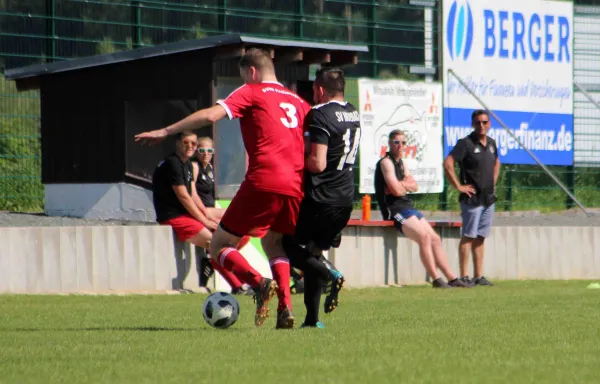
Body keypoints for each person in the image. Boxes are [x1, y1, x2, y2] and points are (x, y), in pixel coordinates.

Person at [136, 48, 311, 329]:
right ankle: (285, 309)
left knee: (219, 245)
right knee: (274, 243)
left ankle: (258, 283)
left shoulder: (252, 91)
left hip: (264, 179)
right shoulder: (299, 103)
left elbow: (211, 115)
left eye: (244, 75)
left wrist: (167, 131)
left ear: (251, 72)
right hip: (294, 184)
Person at [283, 67, 358, 328]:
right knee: (314, 252)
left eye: (314, 89)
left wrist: (290, 158)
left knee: (284, 245)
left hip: (321, 198)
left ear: (321, 90)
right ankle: (312, 320)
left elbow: (317, 163)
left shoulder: (318, 114)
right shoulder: (353, 112)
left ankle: (331, 273)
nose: (313, 94)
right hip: (345, 199)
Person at [374, 130, 470, 288]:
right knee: (424, 237)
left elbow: (414, 185)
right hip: (394, 210)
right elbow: (397, 191)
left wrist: (402, 184)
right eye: (396, 142)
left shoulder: (402, 163)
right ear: (390, 144)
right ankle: (436, 279)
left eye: (403, 143)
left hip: (407, 206)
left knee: (435, 239)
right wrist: (403, 185)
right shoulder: (386, 162)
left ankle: (452, 278)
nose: (400, 146)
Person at [152, 132, 249, 283]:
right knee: (215, 244)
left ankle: (236, 279)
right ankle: (241, 283)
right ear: (178, 143)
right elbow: (184, 196)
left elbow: (193, 195)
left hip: (187, 214)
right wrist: (204, 219)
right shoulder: (174, 163)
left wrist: (207, 216)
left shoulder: (186, 164)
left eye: (193, 143)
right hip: (173, 216)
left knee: (235, 233)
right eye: (186, 142)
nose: (190, 146)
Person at [443, 109, 499, 286]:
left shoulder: (491, 143)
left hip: (488, 199)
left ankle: (478, 276)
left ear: (489, 124)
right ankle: (464, 276)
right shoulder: (465, 144)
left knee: (481, 237)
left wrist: (493, 182)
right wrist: (459, 186)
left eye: (484, 122)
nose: (481, 126)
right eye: (478, 122)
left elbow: (497, 162)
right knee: (468, 236)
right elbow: (448, 163)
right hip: (472, 200)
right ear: (472, 124)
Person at [192, 137, 253, 295]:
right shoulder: (194, 167)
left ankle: (219, 261)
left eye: (209, 151)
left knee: (243, 233)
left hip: (210, 211)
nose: (206, 154)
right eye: (202, 150)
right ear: (196, 152)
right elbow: (191, 194)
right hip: (201, 211)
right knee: (219, 251)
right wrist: (205, 215)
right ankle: (237, 284)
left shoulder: (211, 169)